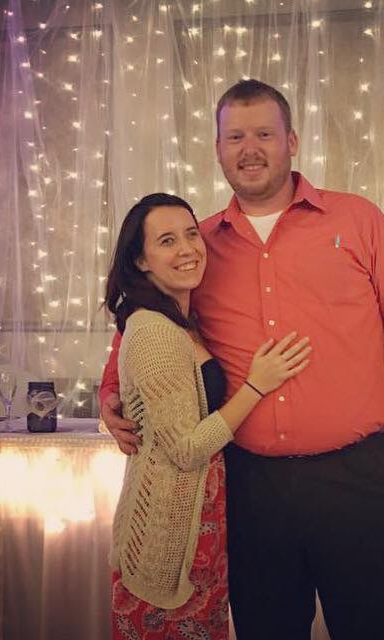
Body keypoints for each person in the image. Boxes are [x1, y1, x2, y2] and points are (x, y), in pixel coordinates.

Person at [100, 80, 384, 640]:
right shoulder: (196, 246)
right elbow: (141, 321)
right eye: (235, 137)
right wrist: (110, 396)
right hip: (250, 489)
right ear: (218, 149)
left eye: (264, 133)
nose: (249, 149)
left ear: (292, 142)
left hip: (363, 477)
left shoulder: (356, 220)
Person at [102, 192, 311, 640]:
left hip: (201, 531)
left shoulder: (182, 318)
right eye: (167, 241)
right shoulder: (154, 332)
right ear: (140, 260)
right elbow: (186, 448)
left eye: (191, 234)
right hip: (167, 538)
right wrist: (258, 384)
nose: (187, 249)